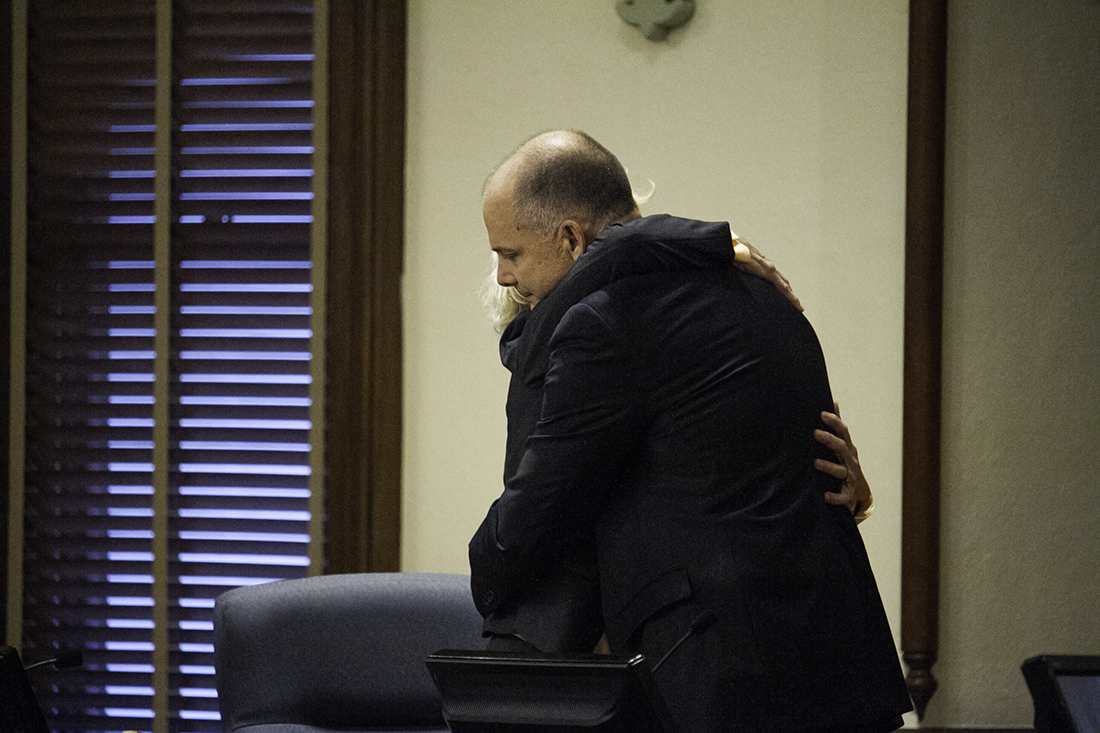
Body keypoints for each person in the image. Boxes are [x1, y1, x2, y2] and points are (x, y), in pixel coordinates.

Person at [469, 130, 912, 732]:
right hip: (840, 657)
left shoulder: (600, 323)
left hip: (725, 678)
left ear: (571, 238)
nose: (502, 275)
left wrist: (484, 569)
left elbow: (539, 512)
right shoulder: (768, 294)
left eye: (511, 253)